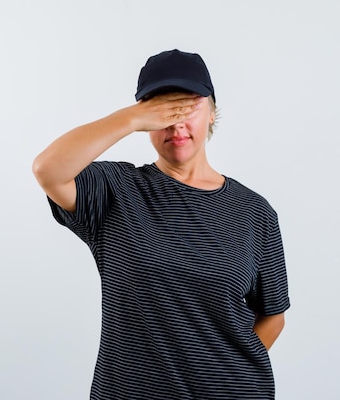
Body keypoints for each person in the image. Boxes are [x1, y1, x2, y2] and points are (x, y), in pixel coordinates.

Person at [32, 49, 290, 399]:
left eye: (188, 106)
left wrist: (216, 378)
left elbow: (272, 316)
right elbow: (48, 170)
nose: (176, 122)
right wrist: (131, 119)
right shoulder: (115, 191)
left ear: (213, 112)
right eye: (163, 110)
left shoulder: (254, 212)